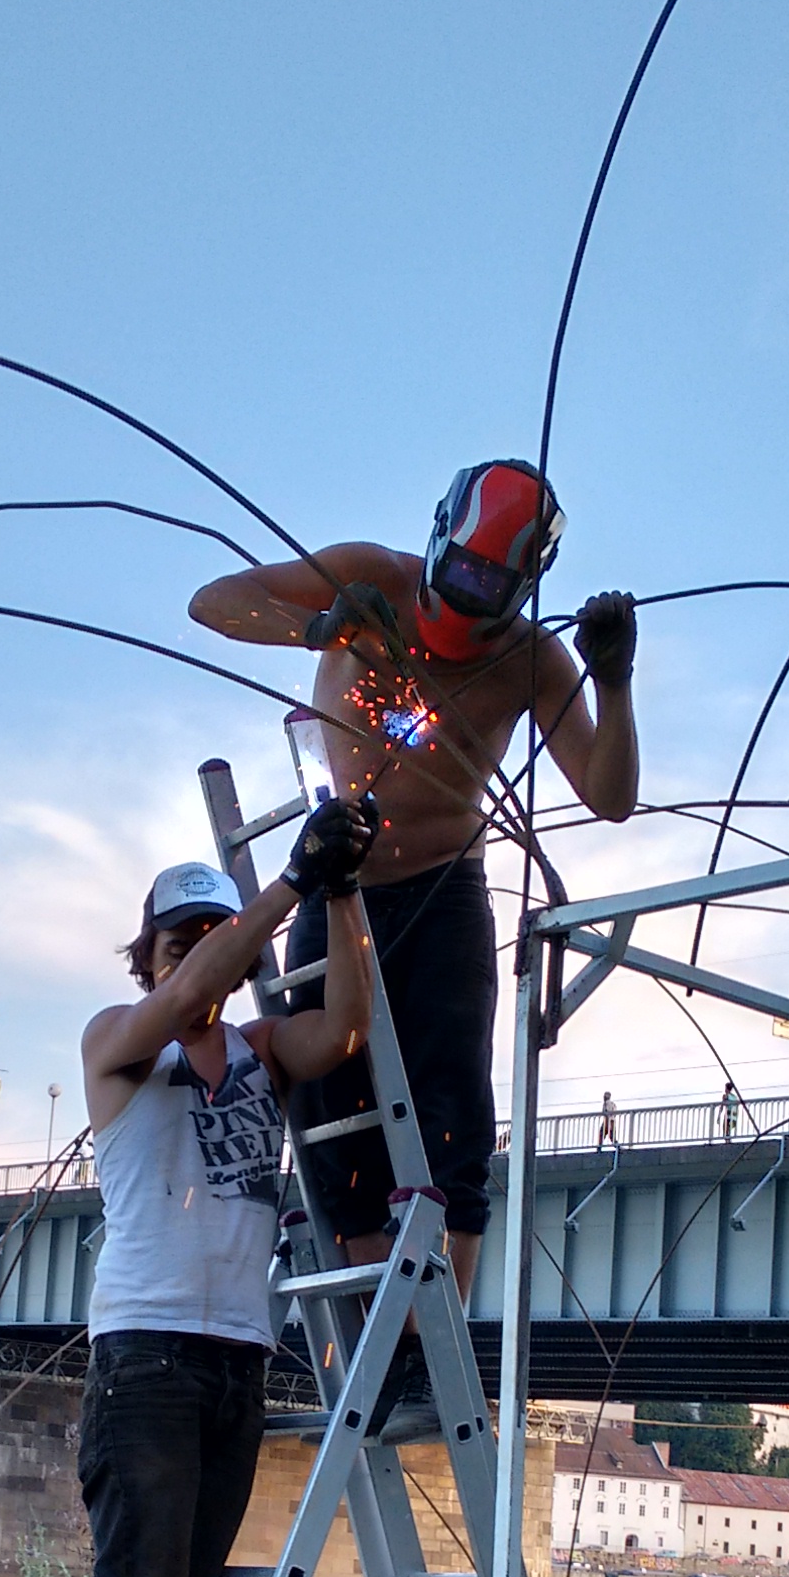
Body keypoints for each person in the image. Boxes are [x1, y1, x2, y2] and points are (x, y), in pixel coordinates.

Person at [189, 461, 639, 1420]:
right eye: (457, 577)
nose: (464, 602)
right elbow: (214, 602)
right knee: (330, 1105)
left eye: (489, 590)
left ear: (521, 589)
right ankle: (367, 1349)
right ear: (436, 544)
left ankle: (430, 1349)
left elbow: (609, 795)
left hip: (446, 895)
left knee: (451, 1123)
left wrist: (612, 679)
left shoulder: (527, 660)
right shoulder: (369, 578)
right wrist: (316, 623)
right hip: (340, 883)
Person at [15, 797, 376, 1577]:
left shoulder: (262, 1054)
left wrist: (344, 887)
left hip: (236, 1355)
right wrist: (288, 887)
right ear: (151, 952)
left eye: (217, 936)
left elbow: (344, 1030)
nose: (204, 957)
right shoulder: (118, 1045)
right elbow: (182, 996)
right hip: (148, 1349)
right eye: (184, 939)